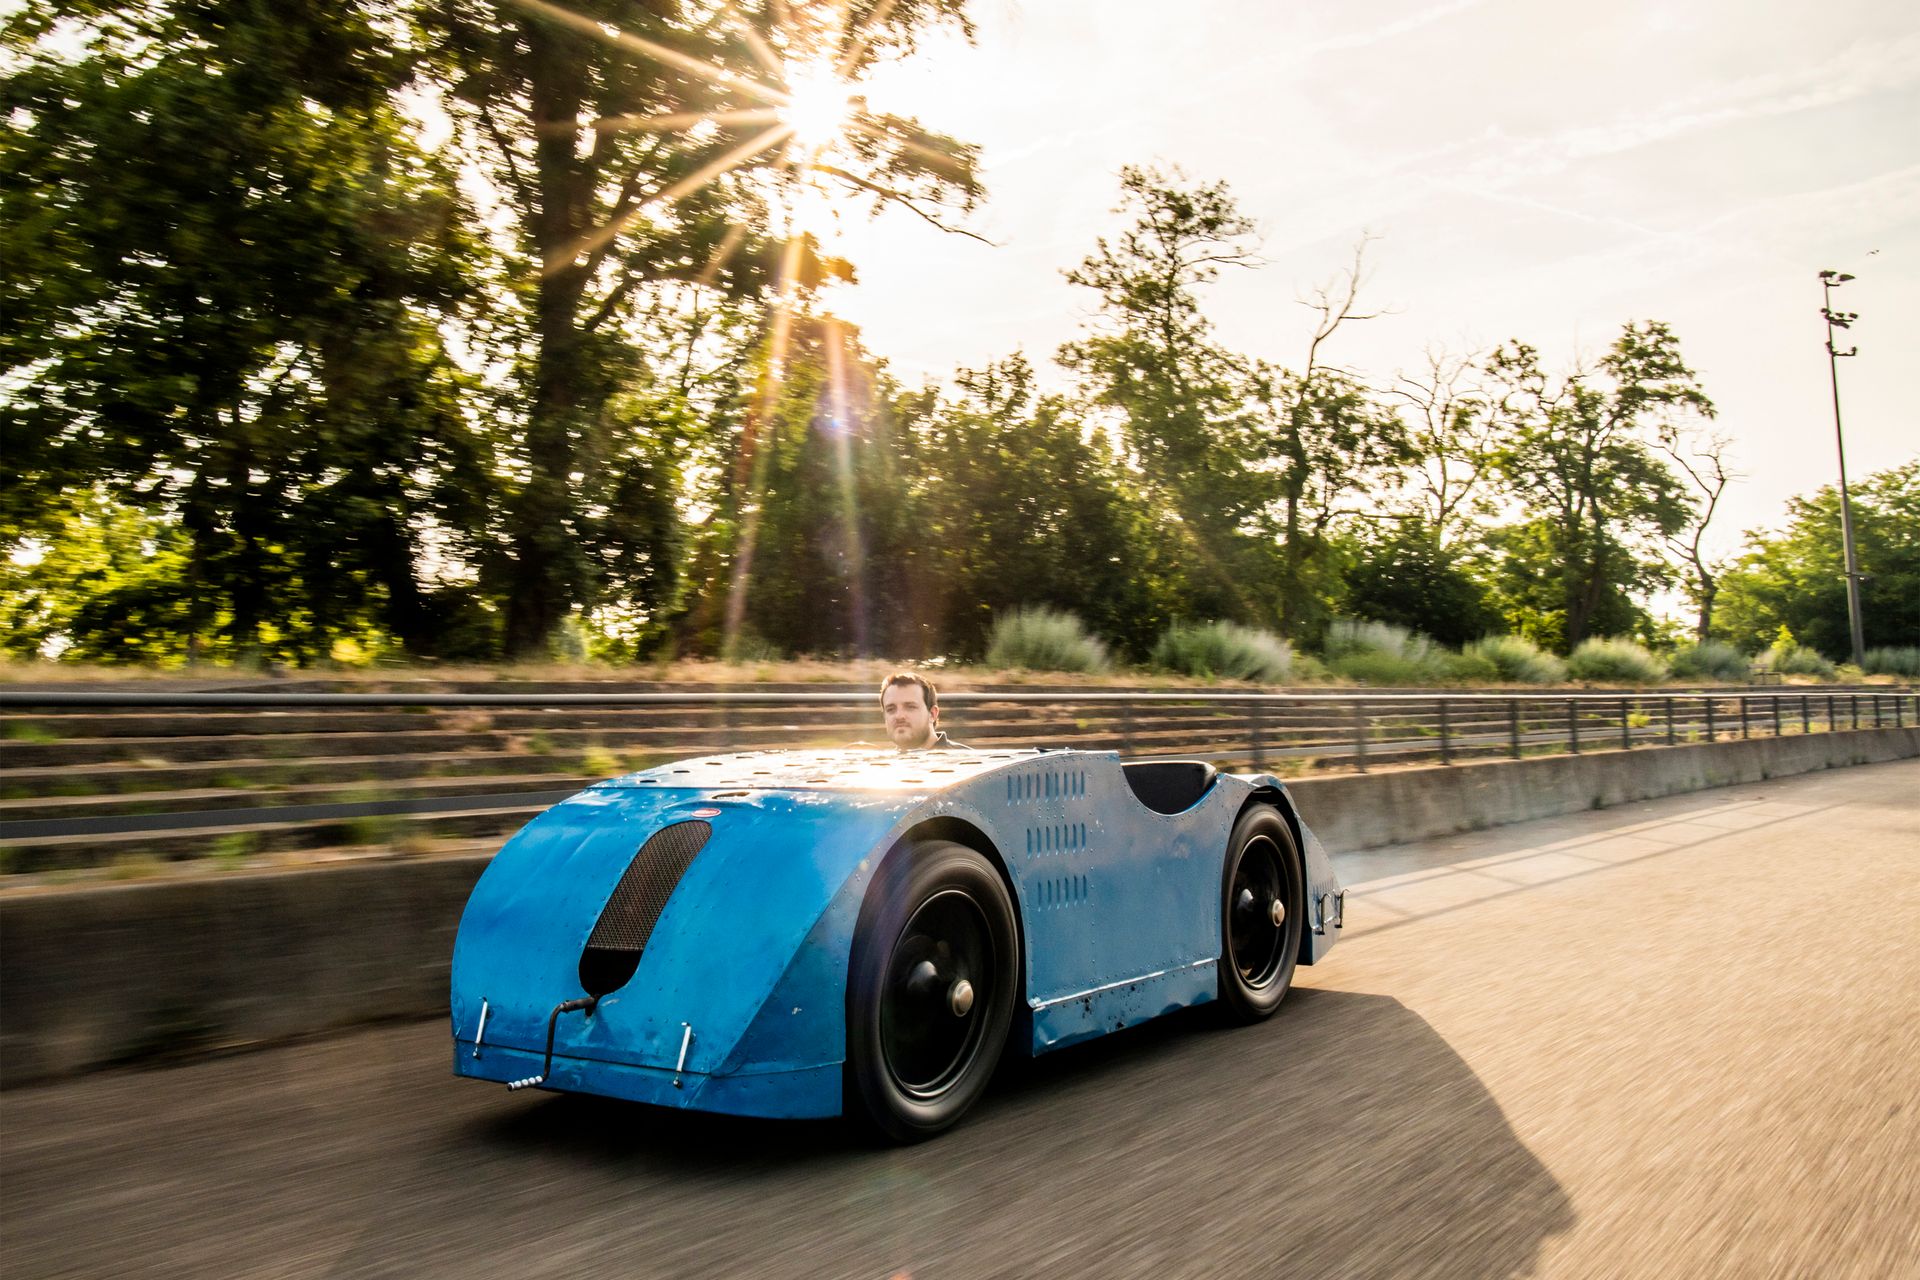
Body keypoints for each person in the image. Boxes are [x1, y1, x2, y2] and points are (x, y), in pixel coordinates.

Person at [879, 672, 967, 751]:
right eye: (890, 709)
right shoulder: (882, 765)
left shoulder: (967, 761)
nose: (899, 716)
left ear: (932, 714)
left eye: (910, 707)